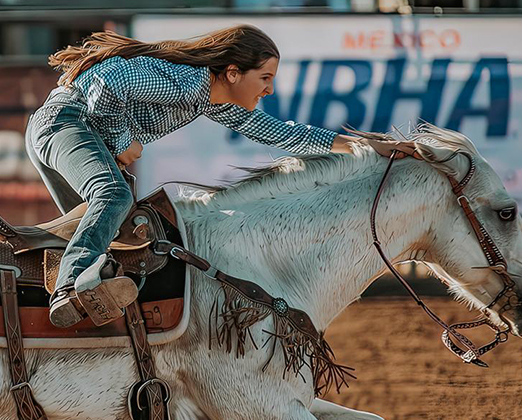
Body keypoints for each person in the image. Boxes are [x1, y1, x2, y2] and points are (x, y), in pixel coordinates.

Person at [26, 25, 395, 329]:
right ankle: (69, 288)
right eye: (264, 77)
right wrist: (122, 141)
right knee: (114, 197)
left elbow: (282, 133)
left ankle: (64, 297)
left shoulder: (211, 100)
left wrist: (364, 145)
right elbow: (107, 82)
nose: (269, 89)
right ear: (233, 72)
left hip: (64, 127)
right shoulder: (187, 85)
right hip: (65, 123)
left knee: (114, 227)